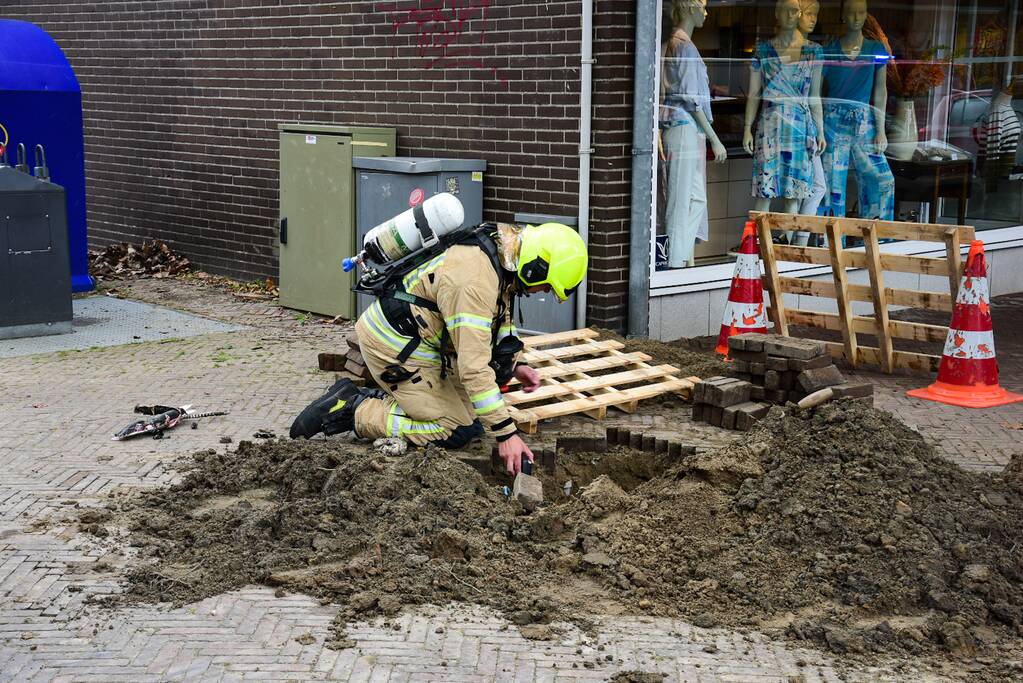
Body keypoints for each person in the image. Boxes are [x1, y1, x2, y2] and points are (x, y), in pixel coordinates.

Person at [289, 221, 587, 476]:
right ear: (537, 267)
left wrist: (516, 364)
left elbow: (497, 317)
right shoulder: (473, 281)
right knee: (453, 429)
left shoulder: (501, 256)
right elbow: (473, 369)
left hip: (421, 341)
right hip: (394, 346)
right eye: (546, 286)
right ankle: (354, 409)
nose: (541, 292)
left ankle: (395, 401)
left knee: (474, 421)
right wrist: (507, 435)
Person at [658, 0, 727, 269]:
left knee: (695, 198)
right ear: (689, 8)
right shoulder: (682, 46)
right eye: (702, 7)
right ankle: (674, 264)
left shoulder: (679, 44)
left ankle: (680, 256)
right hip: (683, 127)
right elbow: (692, 99)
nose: (706, 13)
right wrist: (715, 139)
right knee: (680, 199)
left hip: (685, 127)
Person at [743, 0, 826, 217]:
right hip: (769, 127)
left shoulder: (814, 51)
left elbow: (814, 96)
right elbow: (754, 93)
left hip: (799, 129)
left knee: (793, 196)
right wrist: (747, 128)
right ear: (777, 14)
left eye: (795, 11)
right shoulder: (762, 50)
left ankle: (786, 240)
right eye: (786, 11)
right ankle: (758, 240)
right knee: (764, 192)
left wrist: (820, 131)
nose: (791, 15)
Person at [818, 0, 895, 221]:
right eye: (851, 13)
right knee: (832, 185)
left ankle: (876, 235)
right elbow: (817, 93)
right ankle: (832, 239)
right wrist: (819, 128)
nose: (856, 18)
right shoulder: (829, 52)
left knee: (882, 180)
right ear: (843, 16)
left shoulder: (876, 49)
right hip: (833, 121)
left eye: (861, 12)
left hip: (864, 120)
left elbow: (880, 89)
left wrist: (880, 130)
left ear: (866, 15)